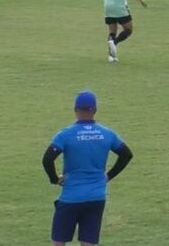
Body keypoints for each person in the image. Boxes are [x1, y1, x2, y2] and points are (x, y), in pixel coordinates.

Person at [43, 90, 134, 246]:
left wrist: (54, 179)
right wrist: (108, 176)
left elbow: (47, 159)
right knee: (88, 243)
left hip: (71, 197)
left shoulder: (66, 135)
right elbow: (126, 154)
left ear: (75, 110)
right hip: (96, 196)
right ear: (95, 110)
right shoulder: (107, 134)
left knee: (58, 242)